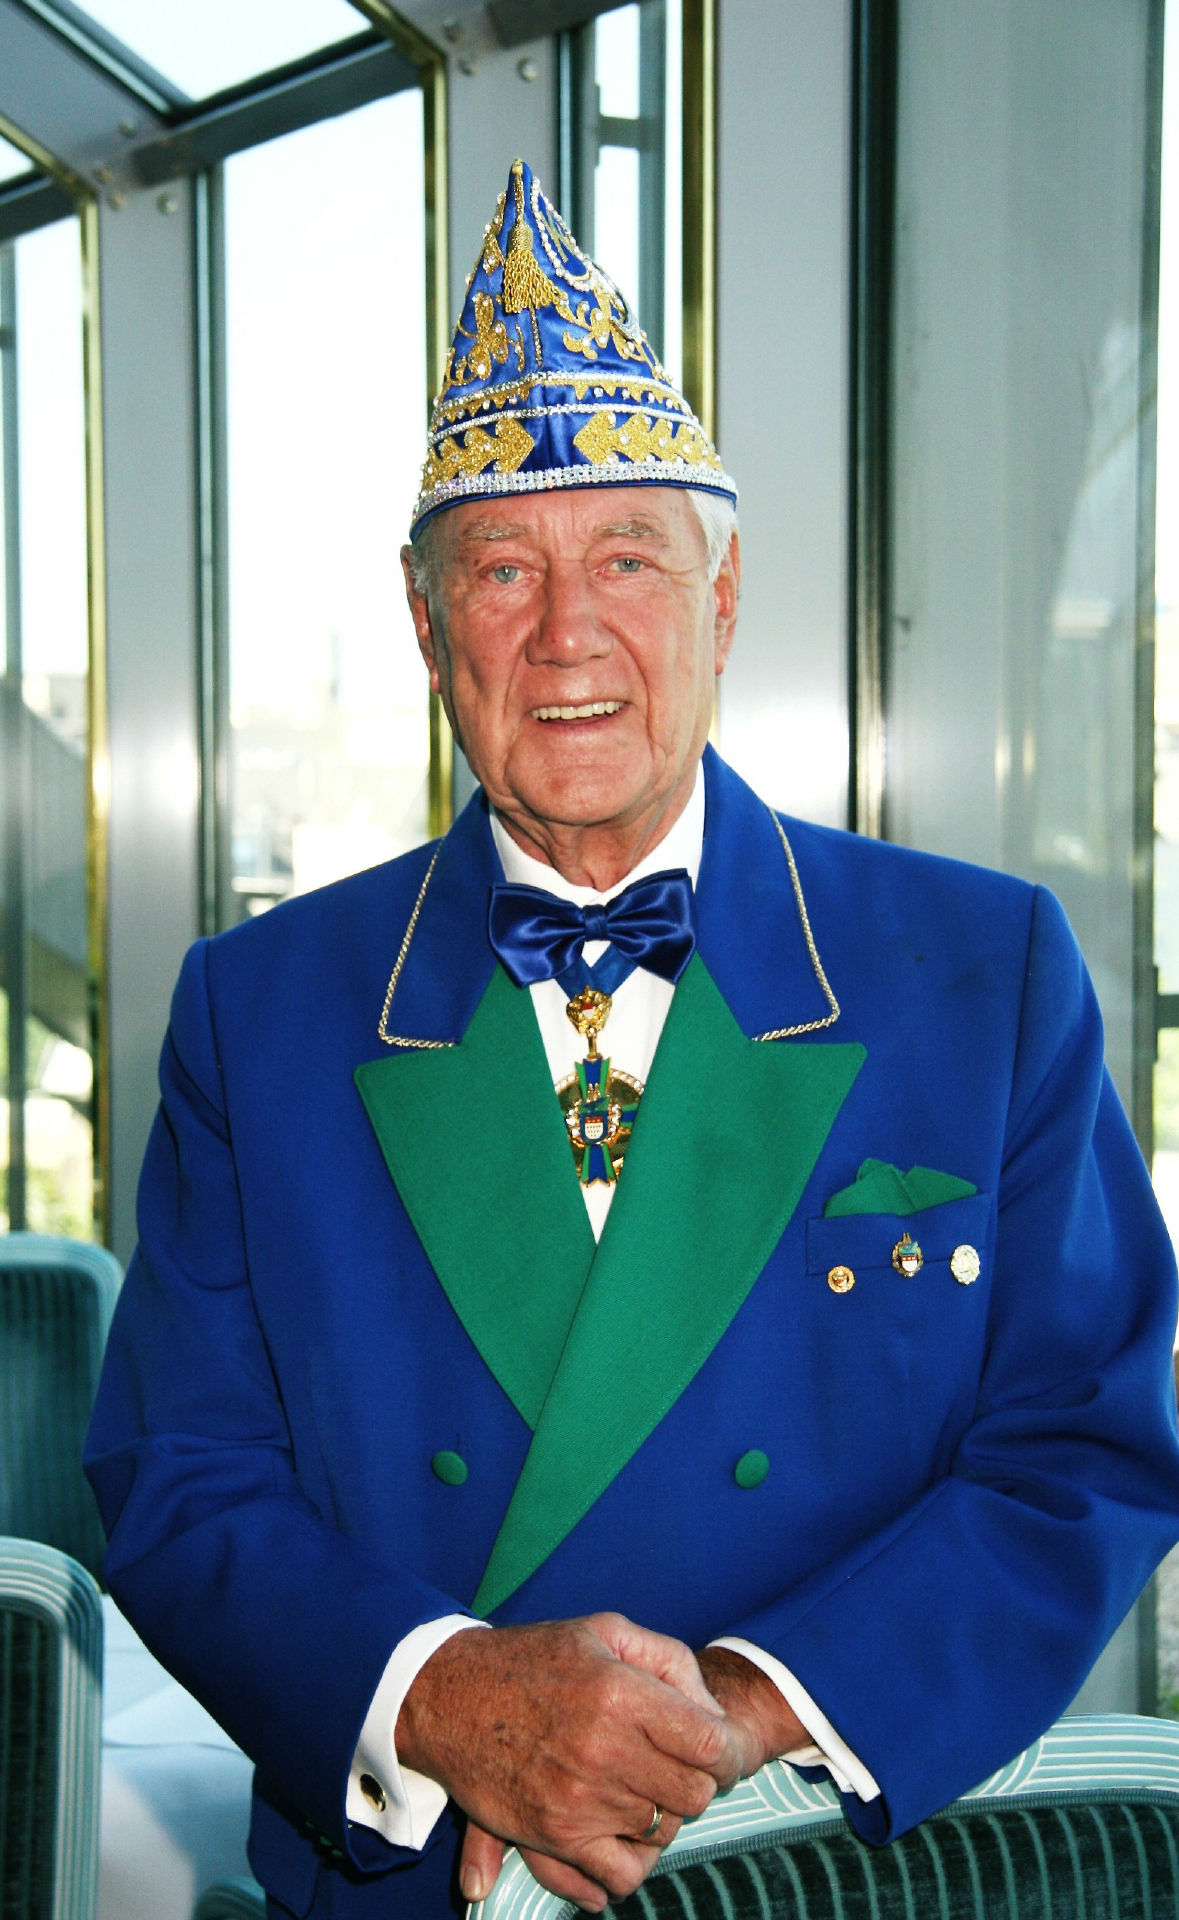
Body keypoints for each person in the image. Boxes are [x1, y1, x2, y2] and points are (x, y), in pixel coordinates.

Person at [85, 160, 1179, 1920]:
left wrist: (729, 1717)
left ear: (724, 603)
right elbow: (178, 1472)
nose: (568, 631)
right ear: (427, 628)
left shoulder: (988, 975)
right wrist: (449, 1698)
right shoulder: (257, 1011)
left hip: (846, 1870)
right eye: (500, 569)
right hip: (429, 1880)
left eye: (627, 559)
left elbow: (1088, 1442)